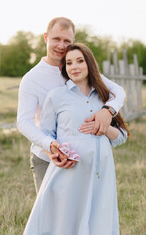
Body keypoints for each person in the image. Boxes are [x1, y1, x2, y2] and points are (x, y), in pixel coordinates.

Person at [23, 43, 129, 235]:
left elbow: (122, 136)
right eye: (69, 63)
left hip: (101, 173)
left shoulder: (105, 97)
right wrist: (55, 148)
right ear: (64, 68)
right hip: (70, 173)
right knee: (66, 224)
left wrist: (104, 128)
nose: (74, 67)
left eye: (80, 61)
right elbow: (47, 134)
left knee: (98, 221)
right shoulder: (56, 96)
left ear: (89, 64)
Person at [17, 17, 126, 194]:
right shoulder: (32, 79)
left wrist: (108, 111)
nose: (61, 45)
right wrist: (49, 145)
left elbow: (118, 91)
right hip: (47, 156)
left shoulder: (80, 68)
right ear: (46, 37)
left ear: (73, 42)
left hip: (82, 156)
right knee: (51, 216)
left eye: (67, 41)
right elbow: (23, 122)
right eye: (56, 39)